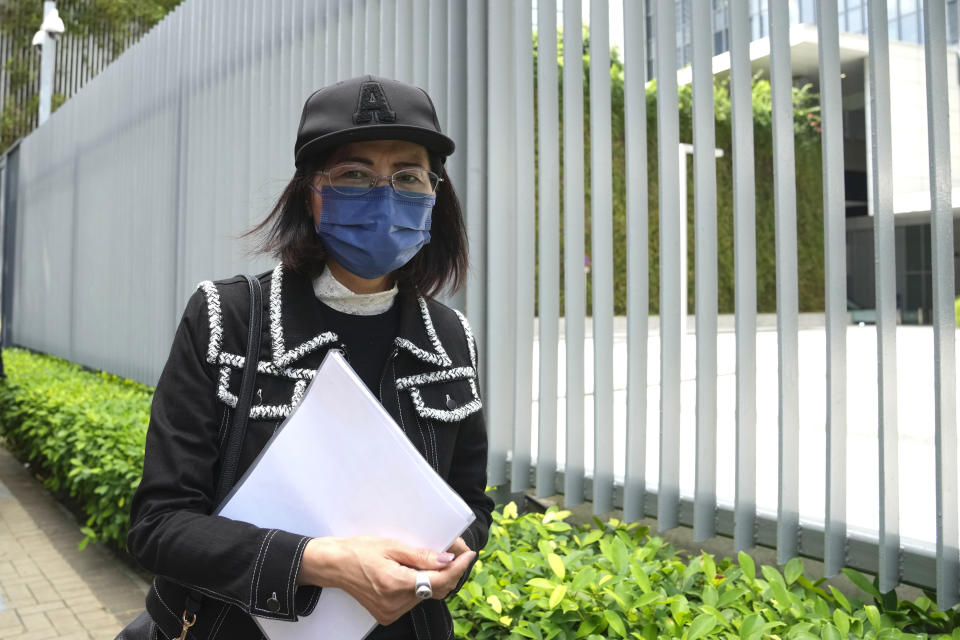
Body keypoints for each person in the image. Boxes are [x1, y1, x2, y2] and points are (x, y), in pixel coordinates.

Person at [126, 75, 494, 640]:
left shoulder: (450, 337)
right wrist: (321, 562)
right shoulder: (227, 320)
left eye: (408, 176)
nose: (385, 194)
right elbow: (159, 525)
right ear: (309, 191)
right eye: (354, 174)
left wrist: (455, 557)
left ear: (435, 193)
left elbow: (470, 502)